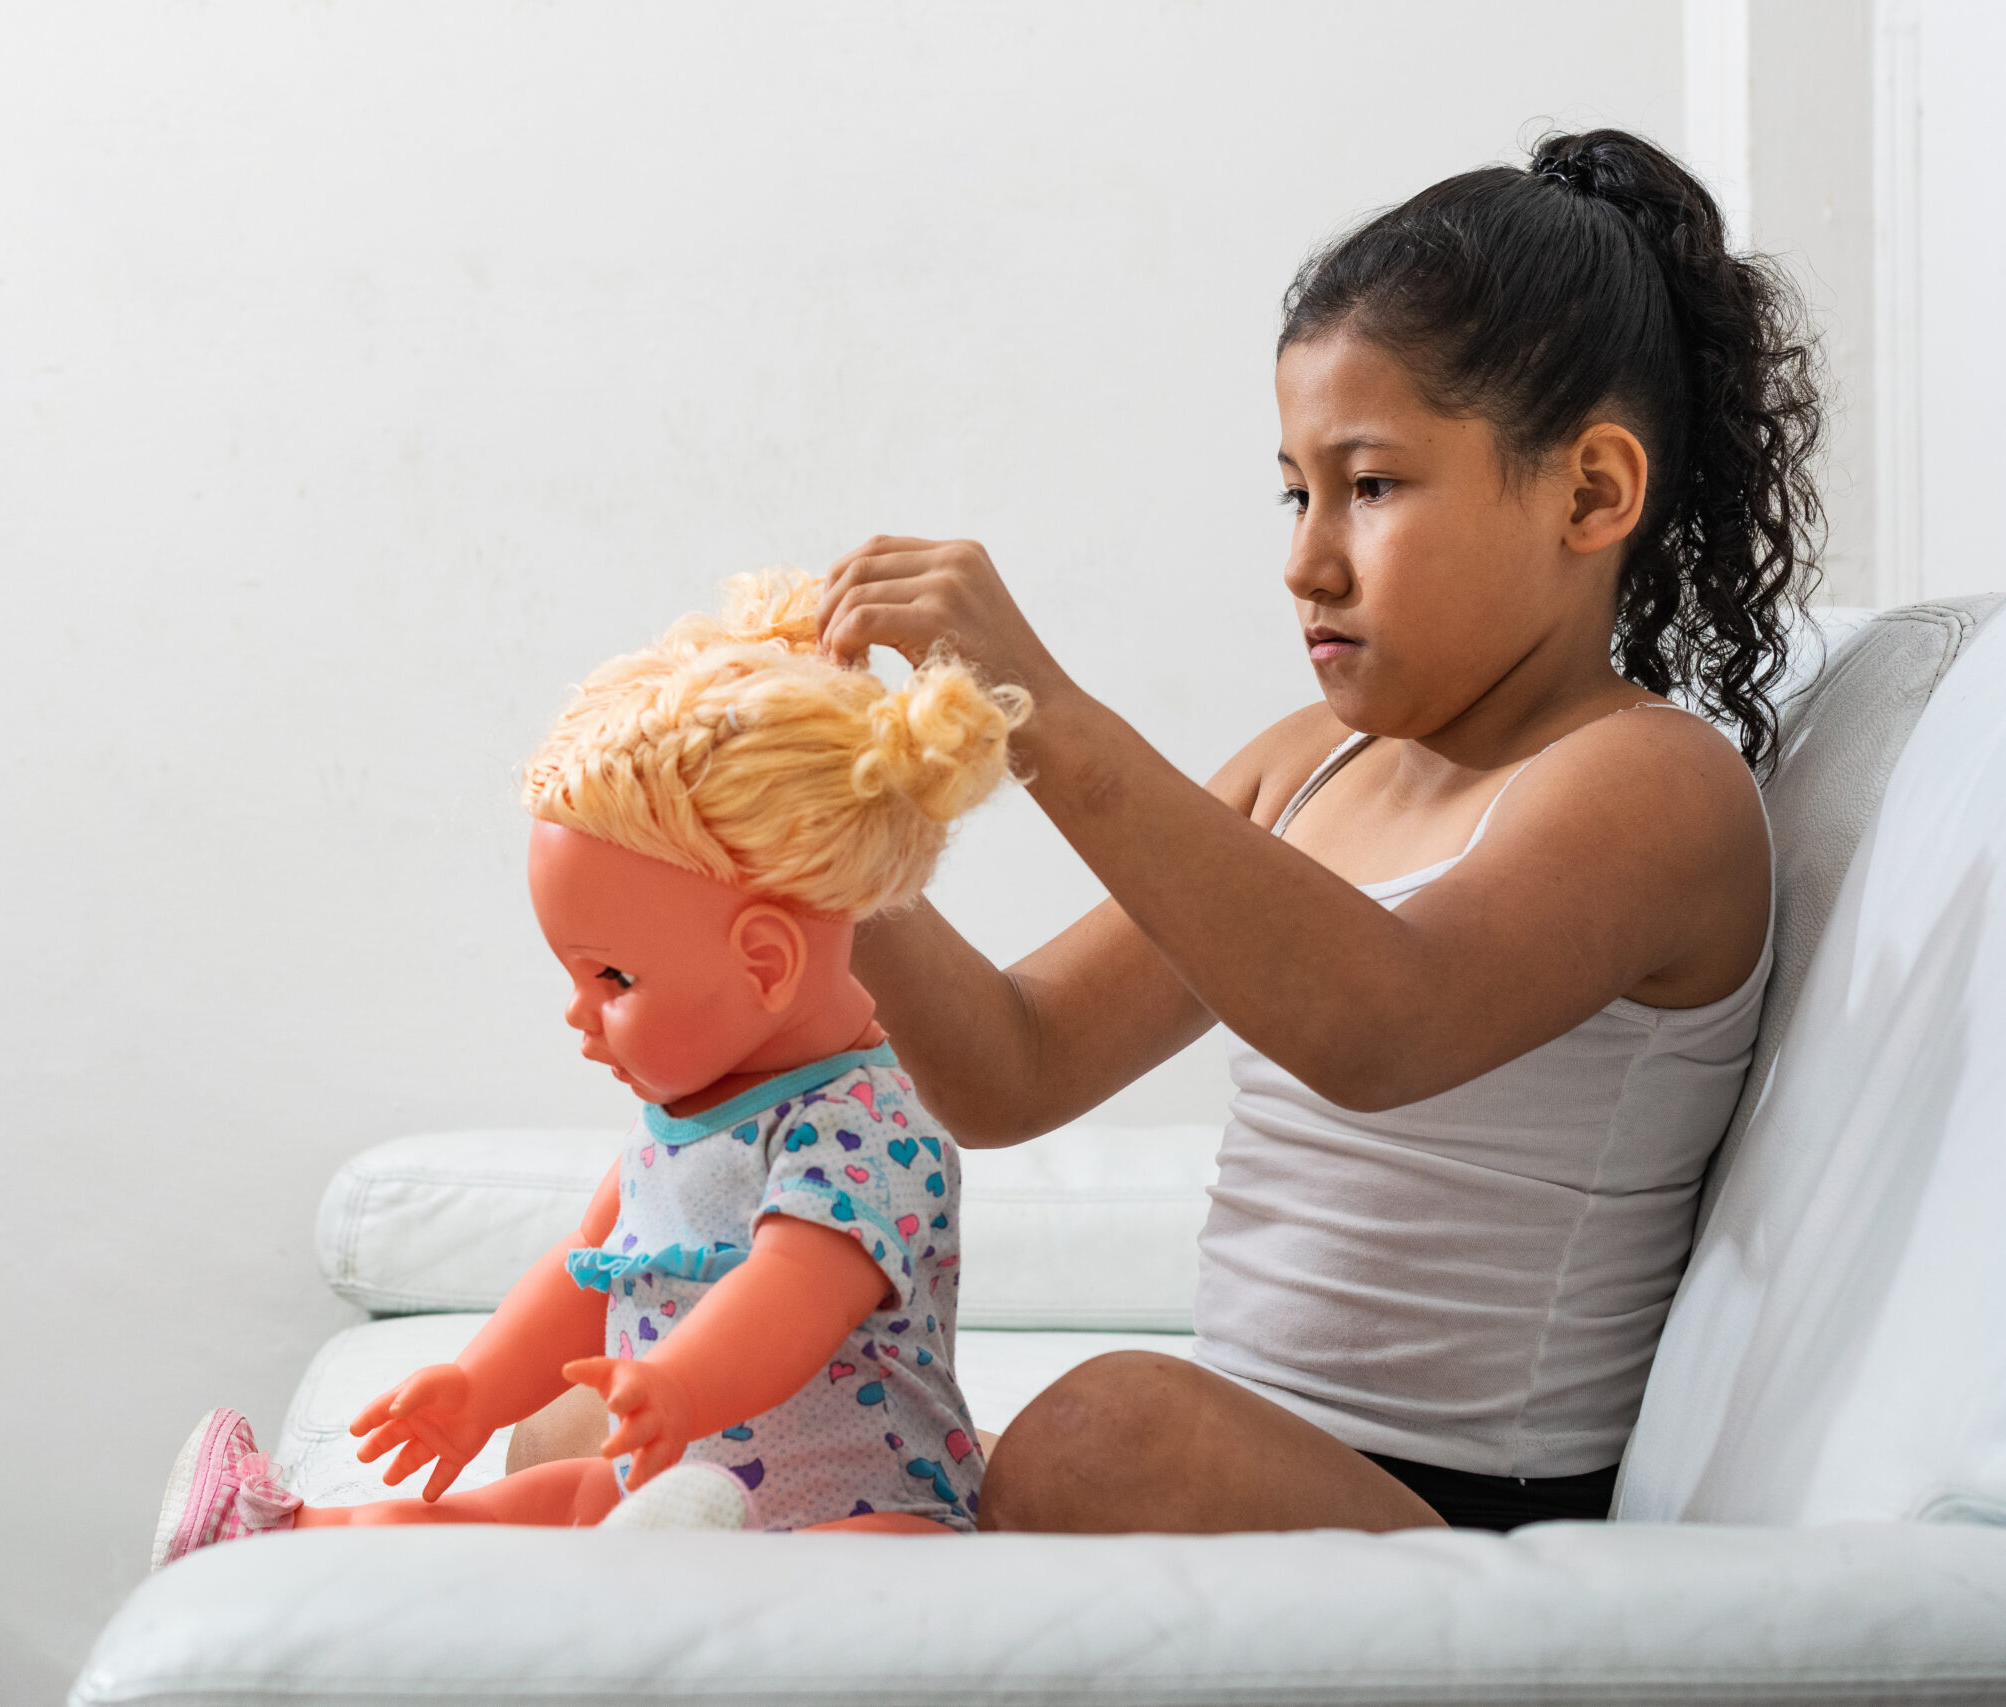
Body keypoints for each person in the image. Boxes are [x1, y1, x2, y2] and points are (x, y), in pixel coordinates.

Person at [512, 127, 1821, 1534]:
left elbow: (1382, 1022)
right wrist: (809, 837)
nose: (1306, 558)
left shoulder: (1648, 782)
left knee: (1102, 1431)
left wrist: (1042, 708)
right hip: (1247, 1457)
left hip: (1456, 1505)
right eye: (1296, 488)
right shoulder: (1311, 766)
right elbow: (1015, 1065)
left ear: (1591, 491)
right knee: (589, 1412)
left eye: (1371, 485)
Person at [150, 573, 1023, 1567]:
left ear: (767, 964)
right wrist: (475, 1388)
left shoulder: (867, 1126)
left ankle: (678, 1579)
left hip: (861, 1507)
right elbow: (582, 1272)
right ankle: (279, 1540)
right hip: (665, 1484)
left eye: (612, 976)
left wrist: (681, 1387)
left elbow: (794, 1290)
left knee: (876, 1559)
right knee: (512, 1508)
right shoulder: (684, 1122)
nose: (579, 1011)